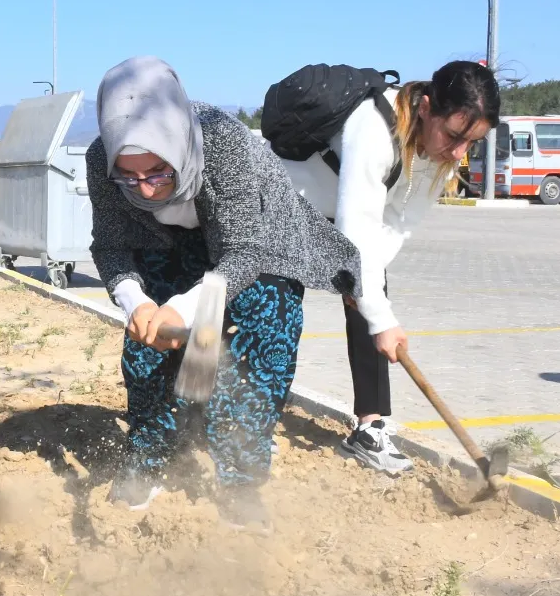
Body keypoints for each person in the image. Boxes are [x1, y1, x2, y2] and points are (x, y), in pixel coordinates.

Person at [87, 57, 362, 531]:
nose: (146, 191)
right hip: (170, 245)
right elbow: (111, 245)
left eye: (157, 173)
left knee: (256, 345)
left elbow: (244, 252)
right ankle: (151, 456)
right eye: (129, 178)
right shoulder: (101, 159)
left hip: (260, 246)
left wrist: (184, 308)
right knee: (149, 354)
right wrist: (139, 303)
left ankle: (240, 481)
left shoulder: (223, 142)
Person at [277, 60, 499, 474]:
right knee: (277, 313)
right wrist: (378, 315)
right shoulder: (374, 128)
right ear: (426, 107)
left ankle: (370, 427)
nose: (457, 152)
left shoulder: (439, 152)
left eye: (472, 143)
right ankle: (249, 417)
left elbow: (397, 225)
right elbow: (355, 228)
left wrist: (370, 298)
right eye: (453, 136)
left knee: (371, 292)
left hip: (342, 216)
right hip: (288, 206)